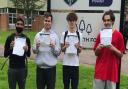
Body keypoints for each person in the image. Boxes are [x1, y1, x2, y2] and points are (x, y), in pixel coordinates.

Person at [93, 10, 125, 89]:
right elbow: (96, 53)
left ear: (112, 21)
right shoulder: (100, 34)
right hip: (100, 71)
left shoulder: (119, 35)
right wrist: (98, 48)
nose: (106, 22)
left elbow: (121, 55)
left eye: (108, 20)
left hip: (112, 72)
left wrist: (113, 48)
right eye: (104, 20)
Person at [32, 12, 61, 89]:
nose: (47, 22)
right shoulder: (38, 35)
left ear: (51, 22)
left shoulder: (55, 36)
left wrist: (54, 47)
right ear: (43, 21)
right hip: (40, 69)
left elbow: (58, 53)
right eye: (46, 20)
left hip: (51, 70)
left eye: (49, 21)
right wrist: (37, 47)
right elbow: (34, 51)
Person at [4, 17, 31, 89]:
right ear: (15, 25)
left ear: (23, 26)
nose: (19, 26)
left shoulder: (26, 39)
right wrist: (10, 47)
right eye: (18, 24)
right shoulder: (9, 38)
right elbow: (5, 55)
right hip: (12, 68)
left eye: (21, 24)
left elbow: (28, 54)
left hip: (22, 69)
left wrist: (27, 49)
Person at [60, 12, 82, 89]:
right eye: (70, 20)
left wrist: (78, 47)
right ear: (67, 21)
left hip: (75, 65)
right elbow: (62, 50)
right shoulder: (64, 34)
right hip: (66, 64)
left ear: (76, 21)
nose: (72, 22)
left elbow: (80, 51)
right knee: (66, 86)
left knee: (74, 86)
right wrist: (65, 46)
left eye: (73, 20)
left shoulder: (79, 34)